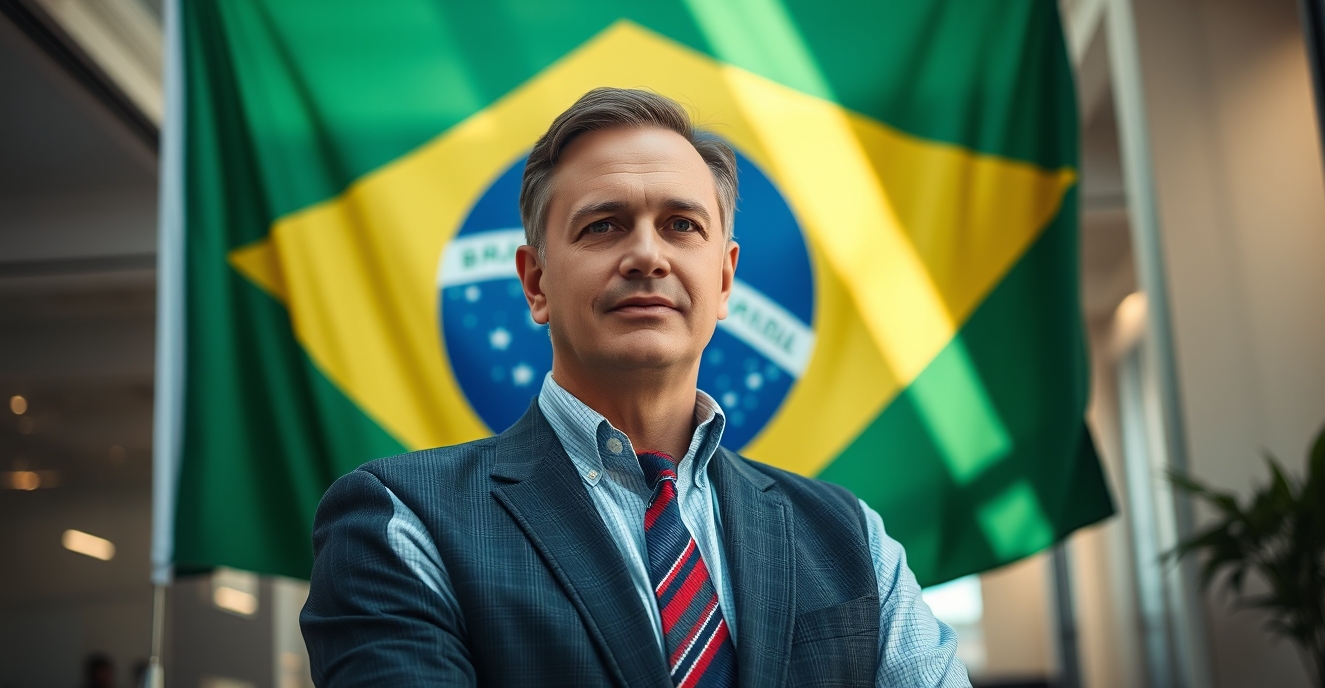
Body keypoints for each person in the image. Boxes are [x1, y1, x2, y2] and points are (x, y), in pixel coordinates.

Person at [301, 87, 971, 687]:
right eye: (604, 225)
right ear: (535, 283)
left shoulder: (855, 540)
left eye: (682, 225)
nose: (648, 255)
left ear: (726, 280)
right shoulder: (401, 521)